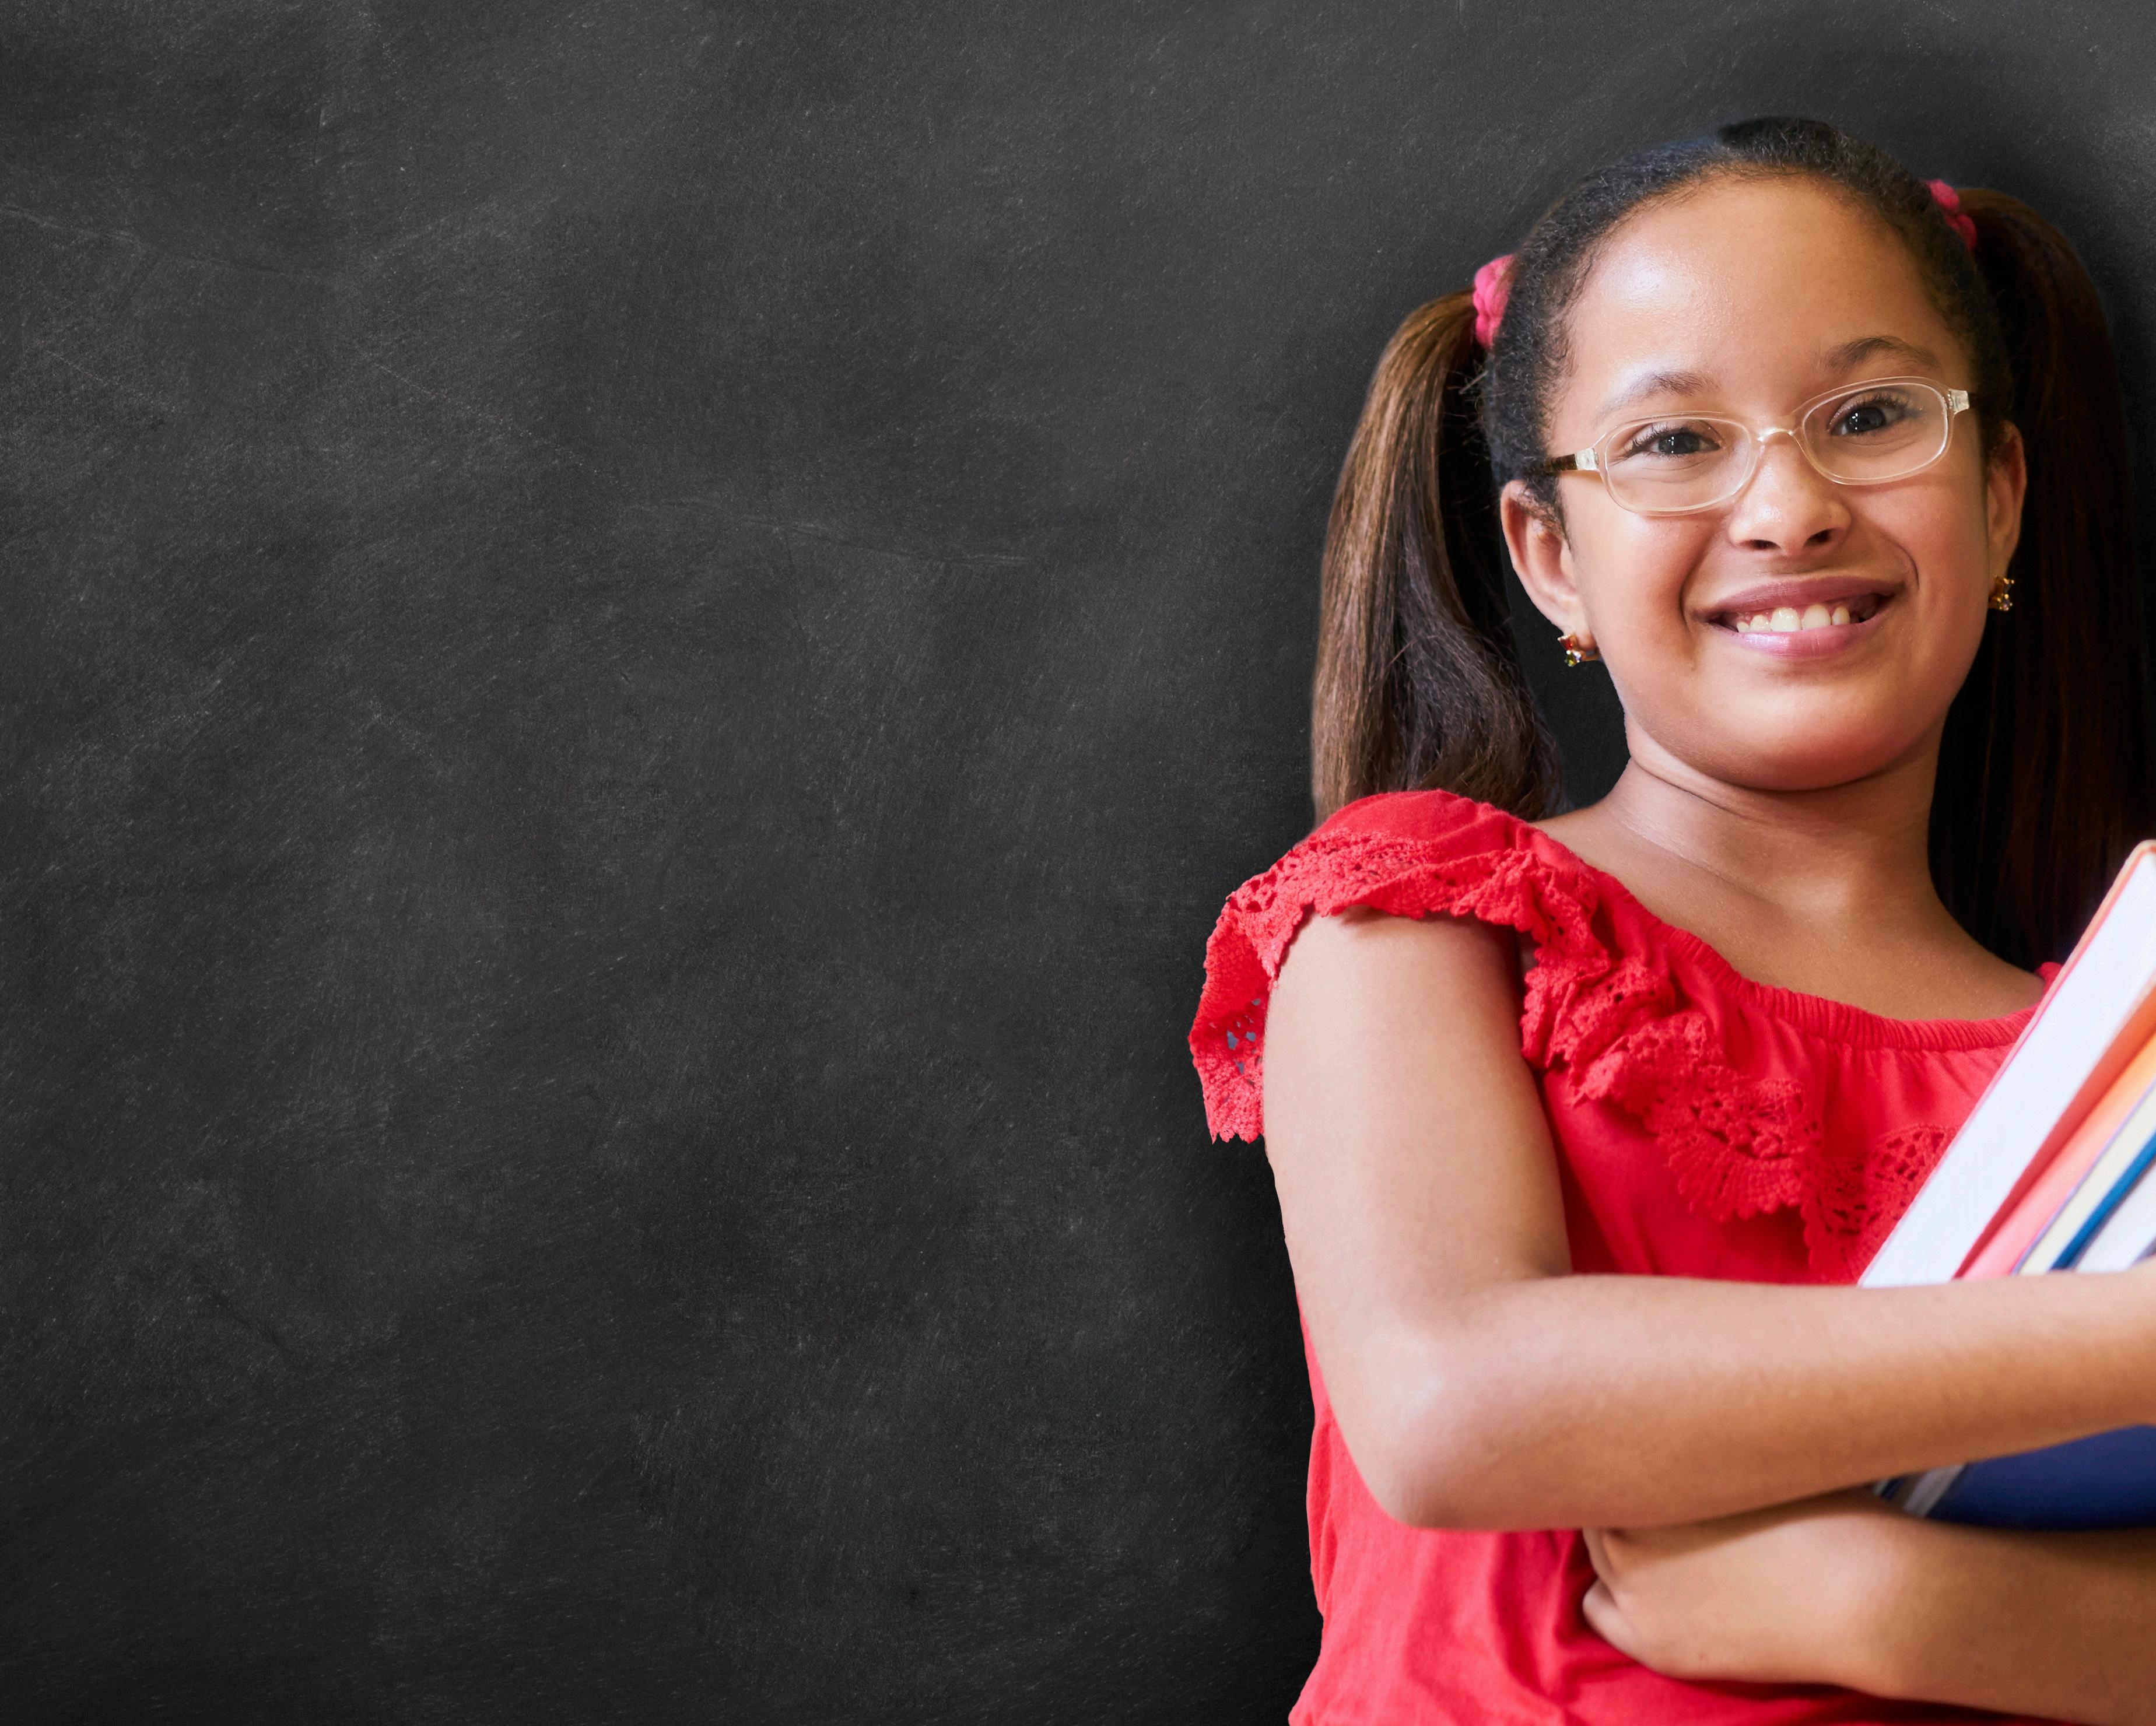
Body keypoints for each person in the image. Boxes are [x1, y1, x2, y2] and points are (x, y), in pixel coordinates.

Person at [1189, 117, 2156, 1724]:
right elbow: (1452, 1404)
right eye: (1672, 441)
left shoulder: (2116, 1069)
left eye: (1869, 417)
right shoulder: (1426, 921)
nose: (1789, 507)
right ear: (1550, 556)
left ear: (1999, 500)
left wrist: (1899, 1606)